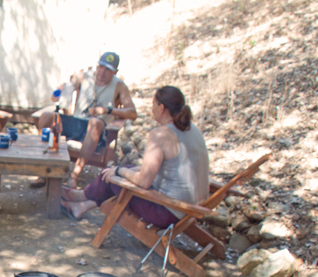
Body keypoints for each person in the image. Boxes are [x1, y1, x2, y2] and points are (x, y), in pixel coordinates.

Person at [60, 85, 208, 229]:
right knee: (125, 169)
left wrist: (118, 172)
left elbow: (143, 182)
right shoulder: (191, 128)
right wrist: (122, 170)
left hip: (167, 211)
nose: (151, 108)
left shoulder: (161, 135)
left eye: (153, 104)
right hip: (192, 207)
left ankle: (79, 196)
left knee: (113, 178)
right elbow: (163, 168)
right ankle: (81, 206)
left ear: (161, 108)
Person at [31, 52, 137, 189]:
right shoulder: (84, 76)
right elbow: (55, 97)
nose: (102, 72)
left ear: (115, 72)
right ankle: (45, 169)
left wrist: (107, 110)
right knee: (46, 116)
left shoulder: (119, 85)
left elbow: (133, 113)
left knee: (95, 122)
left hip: (97, 131)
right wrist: (58, 91)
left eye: (107, 70)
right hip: (76, 122)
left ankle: (74, 175)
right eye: (101, 67)